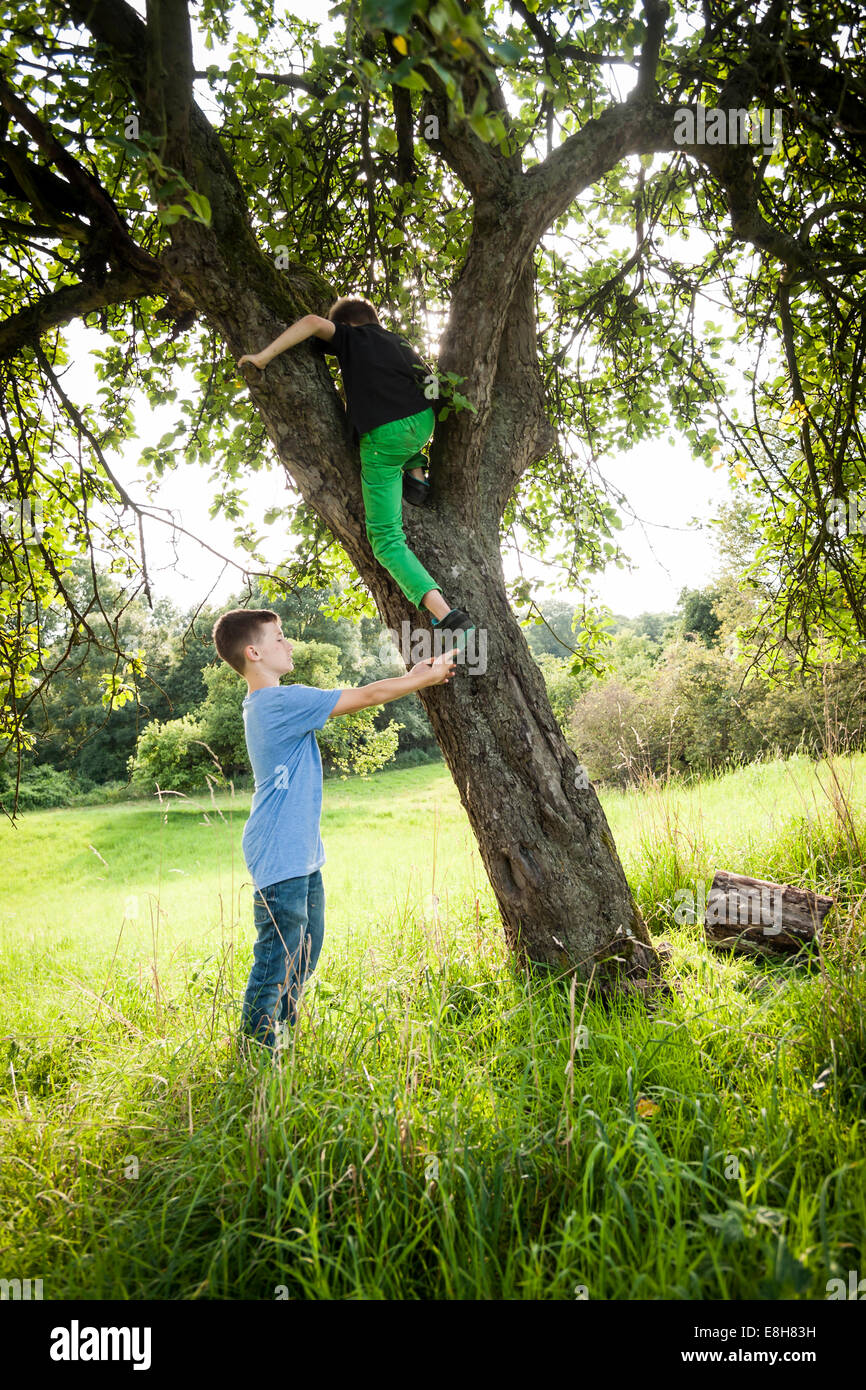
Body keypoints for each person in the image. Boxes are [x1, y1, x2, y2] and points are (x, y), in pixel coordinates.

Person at [211, 605, 457, 1054]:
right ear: (254, 652)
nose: (289, 644)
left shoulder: (273, 702)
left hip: (301, 851)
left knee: (305, 952)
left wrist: (416, 674)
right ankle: (255, 1054)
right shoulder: (278, 702)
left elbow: (369, 691)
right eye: (279, 637)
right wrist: (423, 678)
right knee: (276, 959)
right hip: (280, 852)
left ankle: (281, 1039)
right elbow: (365, 696)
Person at [237, 295, 474, 643]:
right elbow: (427, 382)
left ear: (347, 326)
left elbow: (312, 323)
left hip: (384, 437)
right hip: (422, 424)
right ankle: (416, 473)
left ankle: (448, 616)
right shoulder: (399, 342)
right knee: (402, 440)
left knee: (386, 542)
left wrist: (262, 357)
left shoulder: (352, 337)